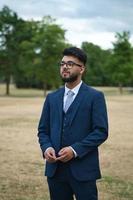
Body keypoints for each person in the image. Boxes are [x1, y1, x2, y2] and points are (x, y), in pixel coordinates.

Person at [37, 47, 108, 200]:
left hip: (83, 170)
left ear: (81, 68)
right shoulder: (52, 98)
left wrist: (74, 150)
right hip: (55, 170)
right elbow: (43, 130)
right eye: (62, 63)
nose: (64, 67)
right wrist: (46, 147)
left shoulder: (95, 96)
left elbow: (100, 131)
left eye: (70, 64)